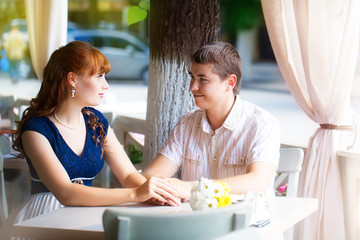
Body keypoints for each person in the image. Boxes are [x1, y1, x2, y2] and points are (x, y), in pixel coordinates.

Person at [0, 41, 180, 239]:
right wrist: (136, 194)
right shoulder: (36, 129)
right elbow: (66, 193)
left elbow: (128, 175)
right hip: (42, 217)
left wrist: (154, 194)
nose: (106, 85)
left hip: (85, 212)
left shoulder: (96, 122)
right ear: (72, 79)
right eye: (99, 76)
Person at [143, 41, 280, 202]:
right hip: (195, 222)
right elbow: (151, 175)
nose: (193, 87)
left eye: (203, 79)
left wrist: (190, 188)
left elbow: (257, 183)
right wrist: (161, 193)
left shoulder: (262, 124)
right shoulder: (187, 123)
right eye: (192, 77)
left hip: (248, 222)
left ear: (230, 83)